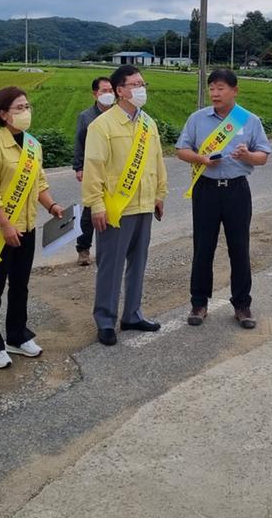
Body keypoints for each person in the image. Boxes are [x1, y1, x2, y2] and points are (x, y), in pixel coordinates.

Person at [0, 86, 64, 369]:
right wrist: (5, 225)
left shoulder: (33, 146)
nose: (26, 112)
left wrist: (51, 206)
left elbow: (39, 184)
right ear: (3, 114)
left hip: (27, 226)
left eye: (27, 106)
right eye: (19, 108)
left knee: (21, 284)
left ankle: (17, 334)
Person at [175, 68, 271, 330]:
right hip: (205, 190)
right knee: (202, 247)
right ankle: (198, 302)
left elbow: (263, 156)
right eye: (212, 88)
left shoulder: (249, 120)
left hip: (237, 190)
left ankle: (242, 305)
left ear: (235, 90)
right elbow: (181, 150)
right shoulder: (197, 119)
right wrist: (200, 159)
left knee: (239, 248)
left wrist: (248, 155)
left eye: (221, 88)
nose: (215, 93)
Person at [82, 64, 168, 346]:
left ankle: (132, 314)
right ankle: (105, 320)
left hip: (144, 205)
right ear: (119, 91)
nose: (141, 89)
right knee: (111, 266)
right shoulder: (101, 126)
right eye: (135, 84)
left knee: (138, 263)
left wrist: (159, 194)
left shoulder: (149, 124)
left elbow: (157, 162)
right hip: (116, 209)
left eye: (143, 84)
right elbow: (93, 167)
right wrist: (96, 204)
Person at [71, 76, 114, 266]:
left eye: (111, 90)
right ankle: (83, 249)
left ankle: (111, 248)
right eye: (104, 91)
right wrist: (78, 167)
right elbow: (79, 143)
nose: (108, 94)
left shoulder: (118, 115)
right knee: (90, 211)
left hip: (113, 170)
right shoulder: (86, 117)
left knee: (113, 208)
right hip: (92, 168)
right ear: (95, 94)